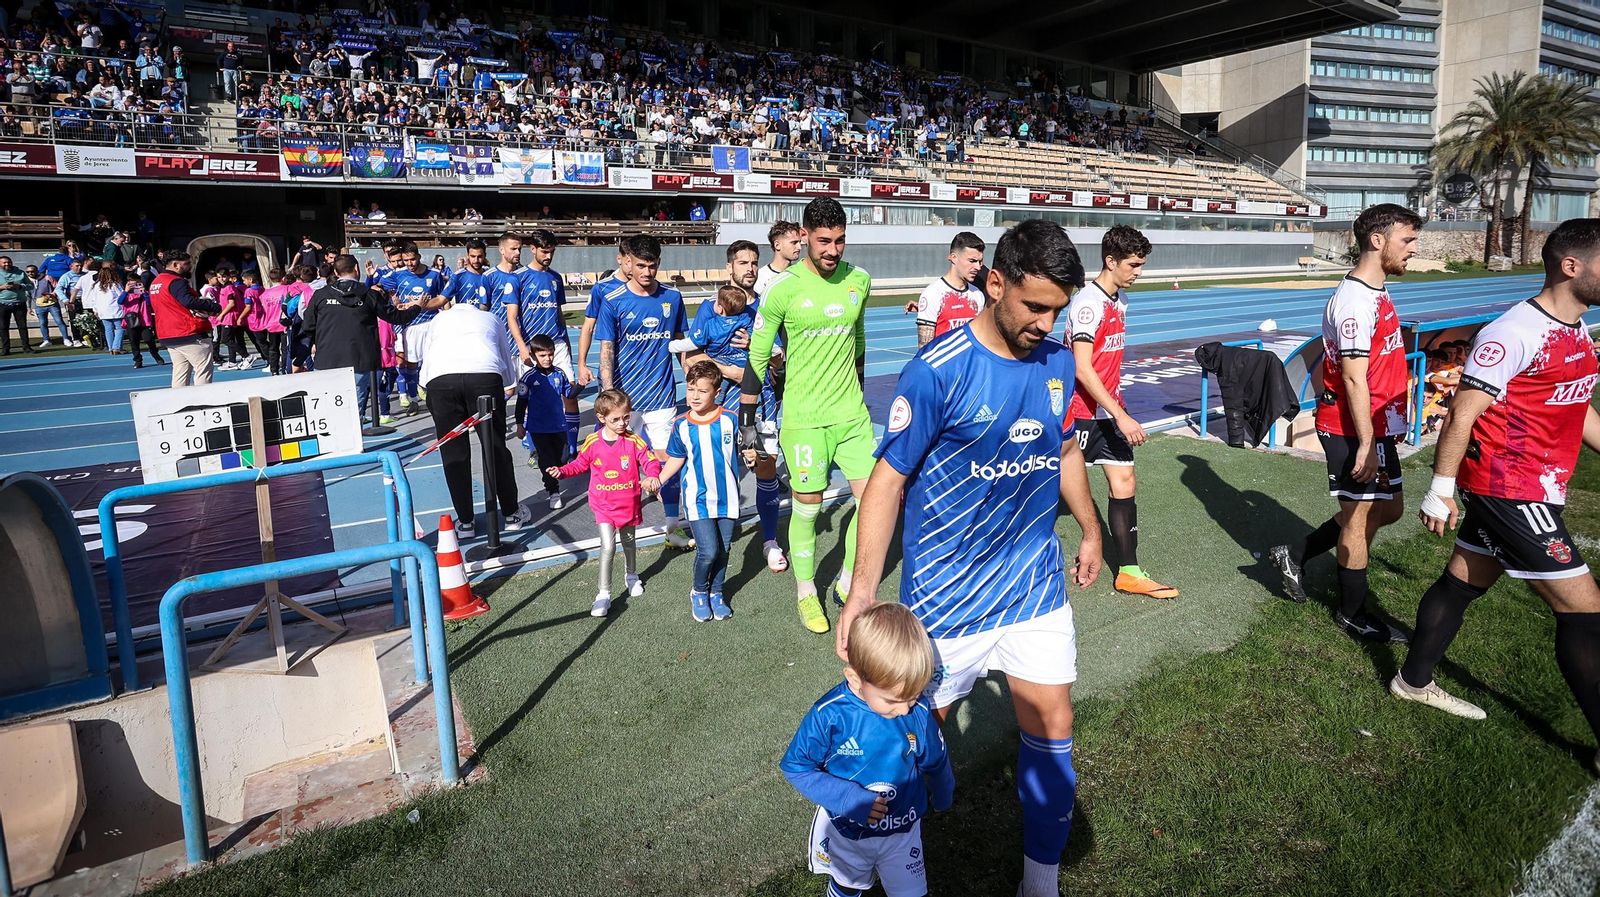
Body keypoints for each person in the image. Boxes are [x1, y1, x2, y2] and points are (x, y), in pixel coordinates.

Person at [842, 219, 1101, 897]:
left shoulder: (1054, 360)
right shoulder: (936, 372)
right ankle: (859, 871)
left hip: (1033, 590)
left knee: (1052, 731)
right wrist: (863, 591)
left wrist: (1093, 527)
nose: (1046, 323)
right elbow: (887, 481)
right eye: (1034, 306)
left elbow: (1066, 447)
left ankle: (1039, 884)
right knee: (898, 752)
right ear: (995, 283)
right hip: (946, 603)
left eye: (1057, 310)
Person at [1396, 218, 1600, 759]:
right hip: (1512, 489)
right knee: (1586, 614)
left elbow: (1575, 408)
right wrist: (1440, 488)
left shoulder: (1577, 328)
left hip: (1531, 484)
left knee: (1462, 582)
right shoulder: (1514, 333)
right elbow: (1462, 412)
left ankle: (1412, 682)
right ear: (1571, 266)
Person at [1269, 204, 1421, 642]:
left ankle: (1295, 552)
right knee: (1359, 517)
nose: (1413, 249)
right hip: (1351, 426)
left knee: (1388, 509)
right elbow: (1353, 376)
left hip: (1373, 422)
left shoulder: (1376, 288)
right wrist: (1367, 444)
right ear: (1378, 241)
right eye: (1407, 240)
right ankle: (1353, 613)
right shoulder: (1354, 301)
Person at [742, 197, 874, 633]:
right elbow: (758, 357)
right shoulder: (783, 288)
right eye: (823, 241)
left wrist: (859, 389)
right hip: (804, 420)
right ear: (803, 236)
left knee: (872, 503)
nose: (833, 250)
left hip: (851, 416)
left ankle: (847, 579)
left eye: (839, 240)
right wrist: (747, 424)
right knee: (809, 511)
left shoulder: (860, 279)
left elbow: (857, 341)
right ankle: (805, 593)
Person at [780, 602, 954, 897]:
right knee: (848, 887)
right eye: (892, 701)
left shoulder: (918, 710)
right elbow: (796, 767)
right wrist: (849, 799)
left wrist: (943, 794)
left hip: (903, 831)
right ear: (856, 680)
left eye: (912, 697)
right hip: (847, 831)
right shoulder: (829, 715)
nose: (904, 710)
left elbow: (935, 761)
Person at [1067, 225, 1178, 599]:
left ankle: (1128, 571)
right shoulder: (1088, 304)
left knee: (1124, 483)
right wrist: (1121, 414)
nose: (1138, 272)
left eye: (1142, 264)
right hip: (1078, 413)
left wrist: (1115, 409)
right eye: (1133, 264)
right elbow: (1082, 368)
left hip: (1108, 410)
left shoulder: (1120, 301)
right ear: (1109, 261)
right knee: (1044, 486)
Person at [682, 255, 787, 572]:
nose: (751, 268)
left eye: (755, 261)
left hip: (763, 404)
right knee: (719, 471)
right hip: (724, 406)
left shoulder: (767, 309)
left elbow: (779, 361)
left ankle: (769, 541)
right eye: (743, 262)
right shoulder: (708, 308)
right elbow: (690, 358)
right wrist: (731, 370)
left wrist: (765, 352)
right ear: (729, 268)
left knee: (766, 468)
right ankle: (713, 544)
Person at [595, 234, 691, 548]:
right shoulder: (613, 301)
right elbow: (607, 351)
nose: (647, 272)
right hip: (626, 402)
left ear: (658, 263)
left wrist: (691, 376)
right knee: (619, 464)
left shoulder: (672, 298)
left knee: (669, 460)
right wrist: (609, 398)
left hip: (662, 396)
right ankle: (621, 527)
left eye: (652, 266)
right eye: (640, 266)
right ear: (628, 264)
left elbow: (680, 344)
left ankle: (672, 526)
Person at [417, 293, 533, 535]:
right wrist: (509, 383)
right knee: (495, 446)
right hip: (484, 376)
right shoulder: (491, 317)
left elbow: (427, 357)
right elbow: (505, 353)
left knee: (453, 452)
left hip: (441, 380)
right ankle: (511, 513)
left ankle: (466, 521)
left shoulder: (439, 320)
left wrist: (428, 389)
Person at [549, 388, 662, 617]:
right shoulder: (592, 441)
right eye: (616, 419)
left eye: (626, 417)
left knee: (629, 543)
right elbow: (580, 465)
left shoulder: (634, 440)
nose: (622, 423)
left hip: (629, 503)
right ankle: (603, 593)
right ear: (601, 418)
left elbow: (650, 461)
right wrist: (562, 472)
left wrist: (652, 475)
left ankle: (631, 576)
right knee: (608, 547)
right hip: (603, 505)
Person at [658, 360, 746, 621]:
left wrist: (754, 454)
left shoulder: (731, 419)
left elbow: (747, 448)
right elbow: (676, 457)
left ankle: (717, 592)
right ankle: (699, 591)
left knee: (724, 549)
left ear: (716, 393)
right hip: (698, 499)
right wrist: (658, 479)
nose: (695, 396)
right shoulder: (682, 424)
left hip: (728, 497)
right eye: (691, 389)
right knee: (707, 550)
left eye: (702, 391)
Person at [302, 254, 427, 428]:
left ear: (336, 272)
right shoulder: (369, 295)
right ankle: (353, 447)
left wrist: (313, 344)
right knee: (355, 406)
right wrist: (417, 307)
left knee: (326, 407)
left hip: (326, 359)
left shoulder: (320, 295)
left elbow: (307, 325)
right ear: (356, 269)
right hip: (359, 360)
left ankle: (332, 446)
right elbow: (395, 316)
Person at [507, 229, 581, 457]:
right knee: (532, 395)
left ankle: (569, 447)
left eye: (552, 252)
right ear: (533, 249)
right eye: (545, 251)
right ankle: (535, 449)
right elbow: (512, 317)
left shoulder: (556, 278)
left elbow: (559, 313)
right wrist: (521, 346)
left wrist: (567, 344)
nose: (548, 256)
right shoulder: (517, 278)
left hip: (556, 344)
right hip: (532, 347)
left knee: (570, 394)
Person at [387, 240, 448, 411]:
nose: (409, 264)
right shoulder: (398, 274)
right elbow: (377, 288)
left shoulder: (434, 274)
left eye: (412, 259)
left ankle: (437, 397)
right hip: (410, 325)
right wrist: (394, 303)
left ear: (419, 256)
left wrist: (447, 317)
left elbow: (444, 298)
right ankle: (413, 399)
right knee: (410, 364)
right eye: (406, 260)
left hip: (430, 323)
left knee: (434, 362)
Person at [517, 334, 574, 510]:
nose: (547, 358)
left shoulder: (559, 373)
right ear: (533, 356)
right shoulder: (529, 378)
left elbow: (569, 395)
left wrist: (581, 385)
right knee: (547, 460)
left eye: (550, 354)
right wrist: (520, 424)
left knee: (563, 458)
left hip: (559, 426)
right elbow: (521, 402)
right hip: (538, 428)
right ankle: (553, 491)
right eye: (542, 355)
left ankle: (554, 476)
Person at [149, 251, 223, 387]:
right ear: (176, 264)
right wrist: (214, 306)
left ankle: (180, 404)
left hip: (168, 333)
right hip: (188, 332)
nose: (190, 266)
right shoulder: (176, 282)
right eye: (187, 263)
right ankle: (203, 404)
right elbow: (187, 301)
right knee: (203, 372)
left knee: (180, 373)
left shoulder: (156, 282)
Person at [907, 231, 986, 347]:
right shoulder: (933, 294)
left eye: (980, 261)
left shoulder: (977, 295)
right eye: (972, 261)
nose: (978, 267)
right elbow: (924, 349)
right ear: (953, 258)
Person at [577, 241, 631, 387]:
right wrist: (582, 364)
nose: (633, 267)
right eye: (629, 262)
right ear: (619, 259)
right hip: (612, 370)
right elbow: (588, 327)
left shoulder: (649, 287)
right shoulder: (602, 288)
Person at [250, 267, 291, 376]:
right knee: (285, 349)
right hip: (284, 324)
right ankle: (284, 369)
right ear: (283, 278)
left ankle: (274, 370)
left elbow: (262, 309)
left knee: (273, 348)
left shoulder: (265, 294)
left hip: (271, 324)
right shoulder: (287, 289)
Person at [79, 261, 126, 355]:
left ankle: (111, 347)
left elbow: (94, 299)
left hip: (103, 311)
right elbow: (121, 296)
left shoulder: (97, 286)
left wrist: (95, 310)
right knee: (120, 328)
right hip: (115, 309)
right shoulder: (115, 284)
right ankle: (116, 347)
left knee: (108, 329)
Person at [119, 278, 163, 368]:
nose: (133, 287)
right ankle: (138, 360)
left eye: (136, 285)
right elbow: (120, 301)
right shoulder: (126, 295)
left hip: (144, 321)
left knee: (149, 339)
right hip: (131, 321)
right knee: (134, 342)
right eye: (131, 285)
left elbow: (150, 303)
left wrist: (144, 293)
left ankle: (155, 354)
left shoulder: (143, 295)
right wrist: (126, 291)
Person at [755, 220, 803, 298]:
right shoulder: (761, 277)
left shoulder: (801, 274)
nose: (799, 247)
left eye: (799, 242)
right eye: (794, 243)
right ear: (777, 245)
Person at [0, 255, 33, 355]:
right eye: (4, 262)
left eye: (8, 262)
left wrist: (18, 286)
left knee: (22, 326)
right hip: (3, 304)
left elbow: (30, 286)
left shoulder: (20, 273)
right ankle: (5, 348)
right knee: (3, 327)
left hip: (19, 303)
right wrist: (2, 287)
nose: (7, 264)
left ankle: (26, 347)